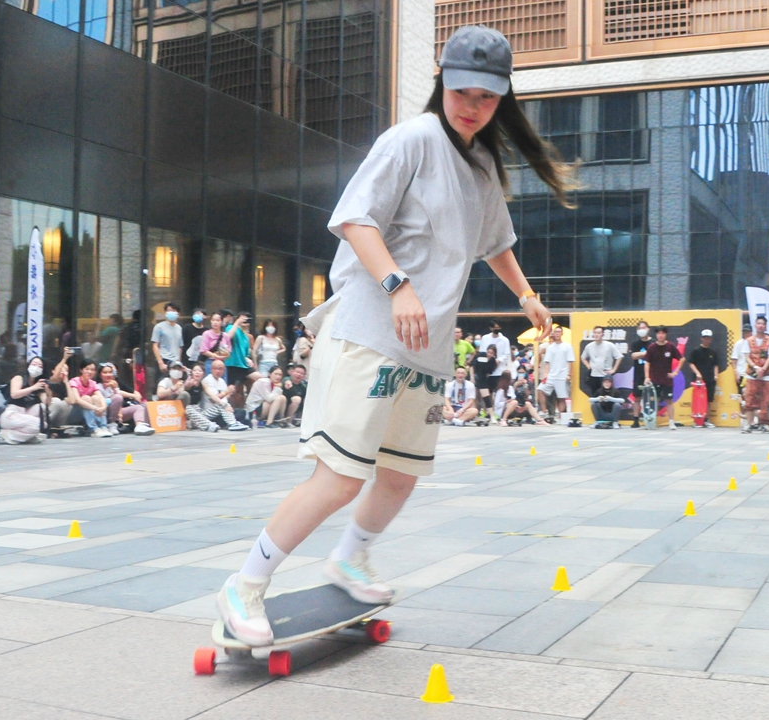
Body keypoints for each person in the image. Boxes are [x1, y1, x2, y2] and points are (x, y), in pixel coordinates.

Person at [213, 25, 565, 647]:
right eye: (461, 91)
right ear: (442, 82)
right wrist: (398, 284)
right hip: (368, 335)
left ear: (502, 98)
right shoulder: (410, 141)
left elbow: (497, 244)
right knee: (341, 477)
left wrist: (527, 297)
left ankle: (350, 560)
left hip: (424, 349)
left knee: (401, 473)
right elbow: (354, 218)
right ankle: (245, 584)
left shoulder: (481, 165)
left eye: (486, 97)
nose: (471, 105)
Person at [732, 316, 769, 433]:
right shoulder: (749, 341)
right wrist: (756, 368)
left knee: (766, 400)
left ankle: (764, 423)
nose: (761, 326)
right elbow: (747, 356)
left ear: (765, 326)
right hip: (752, 374)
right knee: (750, 399)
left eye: (763, 324)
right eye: (759, 324)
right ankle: (749, 424)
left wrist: (763, 369)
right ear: (755, 325)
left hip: (767, 375)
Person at [0, 357, 48, 444]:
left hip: (23, 415)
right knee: (39, 425)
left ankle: (17, 435)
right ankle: (9, 434)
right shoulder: (19, 377)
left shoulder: (38, 383)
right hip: (10, 414)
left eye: (40, 366)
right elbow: (14, 394)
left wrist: (48, 392)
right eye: (34, 364)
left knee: (42, 412)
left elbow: (45, 404)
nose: (36, 368)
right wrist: (33, 388)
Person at [645, 326, 685, 430]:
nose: (660, 335)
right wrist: (647, 377)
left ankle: (671, 422)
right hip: (655, 379)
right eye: (658, 333)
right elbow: (647, 363)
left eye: (663, 333)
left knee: (669, 401)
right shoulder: (651, 347)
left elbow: (682, 359)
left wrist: (675, 372)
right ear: (656, 335)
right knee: (655, 401)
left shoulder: (670, 346)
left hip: (667, 379)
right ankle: (653, 421)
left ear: (665, 334)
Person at [99, 362, 155, 435]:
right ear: (100, 374)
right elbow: (112, 399)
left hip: (118, 413)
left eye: (110, 372)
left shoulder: (115, 384)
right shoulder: (97, 386)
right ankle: (111, 424)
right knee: (117, 397)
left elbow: (130, 393)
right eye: (105, 373)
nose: (108, 375)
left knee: (138, 407)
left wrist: (115, 388)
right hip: (104, 413)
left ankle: (140, 426)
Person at [201, 359, 250, 431]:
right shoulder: (207, 380)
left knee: (241, 412)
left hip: (224, 410)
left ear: (223, 370)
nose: (218, 371)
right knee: (223, 406)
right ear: (211, 369)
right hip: (211, 411)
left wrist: (229, 395)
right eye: (215, 368)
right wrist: (226, 391)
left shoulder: (222, 381)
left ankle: (231, 423)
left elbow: (225, 399)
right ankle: (232, 423)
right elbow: (213, 400)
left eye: (220, 369)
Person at [69, 360, 113, 437]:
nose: (89, 372)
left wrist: (102, 407)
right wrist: (95, 408)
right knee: (86, 398)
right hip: (75, 411)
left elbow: (101, 397)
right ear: (81, 370)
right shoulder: (74, 381)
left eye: (92, 370)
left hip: (90, 411)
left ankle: (103, 427)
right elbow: (77, 399)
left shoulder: (93, 383)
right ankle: (93, 429)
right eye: (87, 369)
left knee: (96, 398)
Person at [538, 325, 574, 419]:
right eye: (555, 332)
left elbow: (570, 361)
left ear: (562, 333)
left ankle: (561, 416)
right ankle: (544, 411)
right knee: (540, 390)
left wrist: (569, 374)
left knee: (561, 397)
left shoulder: (567, 346)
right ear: (553, 333)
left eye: (559, 332)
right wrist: (545, 374)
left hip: (562, 375)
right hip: (551, 375)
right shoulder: (550, 348)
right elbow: (547, 362)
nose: (557, 333)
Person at [686, 328, 720, 426]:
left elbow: (715, 365)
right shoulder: (696, 351)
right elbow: (691, 363)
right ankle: (697, 420)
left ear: (711, 339)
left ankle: (706, 420)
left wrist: (716, 375)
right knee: (698, 400)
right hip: (699, 381)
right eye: (705, 338)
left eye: (708, 338)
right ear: (701, 338)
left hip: (710, 379)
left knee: (708, 400)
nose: (706, 340)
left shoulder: (713, 352)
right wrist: (697, 373)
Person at [580, 326, 622, 397]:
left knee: (607, 396)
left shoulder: (609, 345)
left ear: (603, 334)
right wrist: (588, 365)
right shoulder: (589, 346)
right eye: (595, 333)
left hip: (605, 376)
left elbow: (619, 356)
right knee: (594, 396)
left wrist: (614, 369)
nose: (597, 335)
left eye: (599, 333)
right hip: (593, 375)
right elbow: (583, 357)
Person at [225, 311, 261, 396]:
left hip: (244, 366)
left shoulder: (246, 337)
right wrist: (237, 322)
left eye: (246, 320)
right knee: (231, 390)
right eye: (242, 318)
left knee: (261, 379)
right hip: (232, 365)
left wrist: (248, 359)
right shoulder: (231, 327)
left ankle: (251, 401)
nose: (244, 321)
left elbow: (245, 354)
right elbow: (228, 337)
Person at [150, 303, 185, 378]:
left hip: (175, 361)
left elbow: (180, 346)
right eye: (169, 310)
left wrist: (179, 361)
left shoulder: (179, 328)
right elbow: (155, 345)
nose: (171, 312)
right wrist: (160, 363)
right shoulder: (159, 327)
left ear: (178, 313)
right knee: (161, 383)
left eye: (173, 310)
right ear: (165, 313)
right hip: (164, 359)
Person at [629, 320, 652, 428]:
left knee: (651, 397)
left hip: (652, 374)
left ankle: (651, 418)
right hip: (638, 373)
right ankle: (636, 420)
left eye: (644, 328)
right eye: (640, 328)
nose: (642, 330)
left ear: (648, 329)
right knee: (637, 397)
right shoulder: (635, 344)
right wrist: (646, 353)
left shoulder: (653, 343)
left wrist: (641, 355)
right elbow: (633, 356)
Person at [183, 363, 218, 432]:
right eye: (195, 370)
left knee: (219, 406)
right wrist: (188, 384)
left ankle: (193, 423)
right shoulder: (189, 382)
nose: (197, 372)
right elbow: (185, 387)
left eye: (199, 371)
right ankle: (208, 425)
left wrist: (223, 404)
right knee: (189, 408)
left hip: (198, 412)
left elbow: (212, 395)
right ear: (192, 372)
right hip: (187, 411)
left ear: (203, 374)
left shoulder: (202, 384)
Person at [471, 344, 499, 417]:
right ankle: (474, 413)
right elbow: (472, 365)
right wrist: (472, 377)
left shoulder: (493, 361)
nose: (489, 354)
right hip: (474, 375)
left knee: (486, 397)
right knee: (474, 396)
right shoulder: (480, 355)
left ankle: (491, 415)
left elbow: (489, 372)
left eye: (491, 353)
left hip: (483, 378)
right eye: (488, 352)